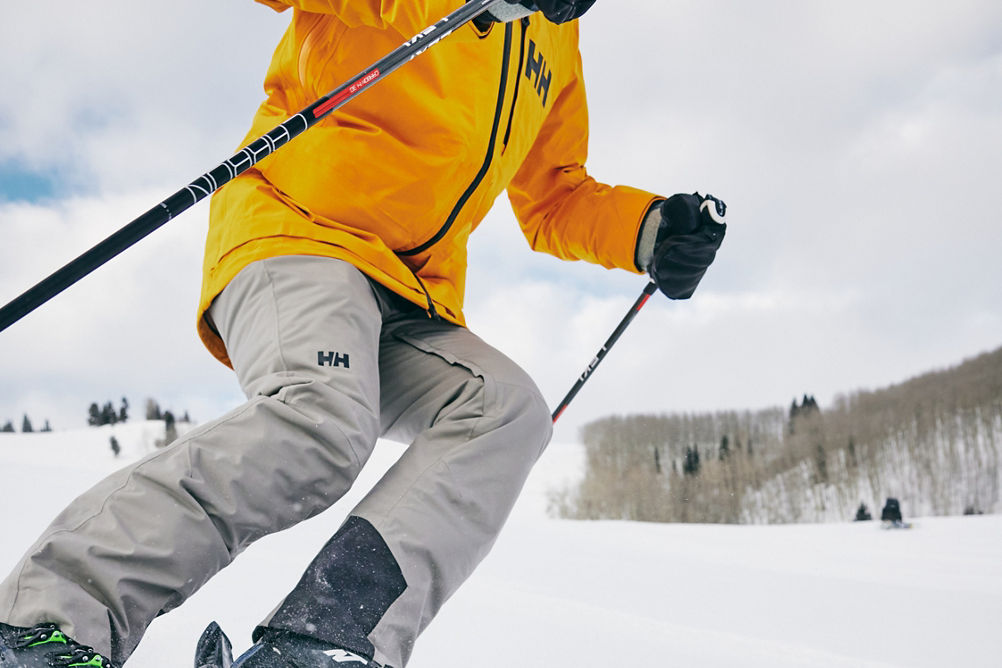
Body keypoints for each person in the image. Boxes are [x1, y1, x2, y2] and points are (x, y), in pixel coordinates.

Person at [0, 1, 726, 666]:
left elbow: (556, 196)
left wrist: (650, 229)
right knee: (322, 423)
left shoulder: (554, 39)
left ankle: (327, 643)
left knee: (506, 410)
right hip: (300, 229)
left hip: (411, 293)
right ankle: (48, 621)